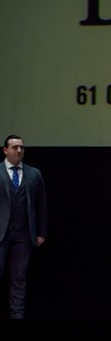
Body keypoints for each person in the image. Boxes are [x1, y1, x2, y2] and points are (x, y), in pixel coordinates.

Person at [0, 135, 47, 320]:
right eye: (14, 147)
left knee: (19, 278)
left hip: (24, 234)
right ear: (5, 150)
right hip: (1, 233)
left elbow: (41, 204)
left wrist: (41, 232)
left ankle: (17, 316)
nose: (19, 150)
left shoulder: (33, 173)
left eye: (21, 147)